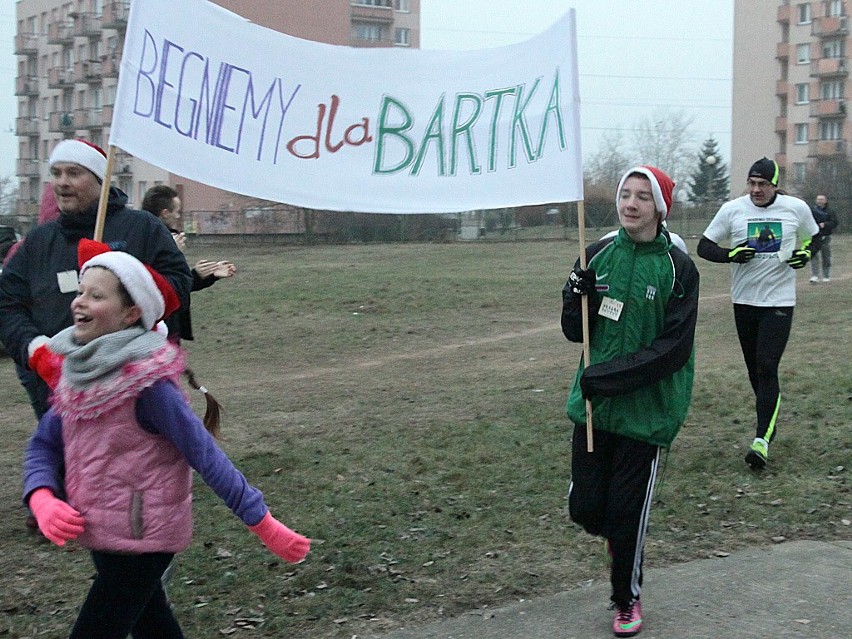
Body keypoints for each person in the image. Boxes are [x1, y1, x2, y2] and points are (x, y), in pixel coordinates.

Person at [22, 242, 310, 638]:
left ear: (131, 313)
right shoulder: (79, 375)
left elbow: (205, 455)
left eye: (96, 295)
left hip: (146, 534)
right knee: (154, 628)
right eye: (80, 292)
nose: (79, 303)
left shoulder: (150, 387)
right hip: (98, 528)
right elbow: (43, 445)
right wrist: (41, 498)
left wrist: (262, 523)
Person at [561, 166, 699, 637]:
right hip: (595, 408)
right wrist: (570, 296)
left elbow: (673, 350)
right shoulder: (597, 253)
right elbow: (575, 332)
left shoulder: (680, 268)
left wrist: (610, 377)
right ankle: (619, 535)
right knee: (585, 509)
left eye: (643, 197)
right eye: (626, 194)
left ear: (659, 207)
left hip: (646, 413)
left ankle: (626, 599)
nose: (631, 204)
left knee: (627, 515)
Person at [0, 139, 192, 421]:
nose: (62, 182)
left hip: (132, 379)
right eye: (57, 173)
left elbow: (178, 285)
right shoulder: (39, 242)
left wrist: (127, 278)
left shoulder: (143, 228)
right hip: (57, 385)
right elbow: (7, 303)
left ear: (100, 179)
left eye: (74, 173)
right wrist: (35, 350)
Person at [697, 157, 820, 469]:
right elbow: (704, 246)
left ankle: (761, 440)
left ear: (775, 184)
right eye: (752, 184)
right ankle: (769, 419)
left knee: (767, 366)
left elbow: (814, 237)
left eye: (763, 184)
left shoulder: (796, 208)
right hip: (744, 302)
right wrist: (731, 255)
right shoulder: (732, 210)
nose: (756, 190)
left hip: (779, 302)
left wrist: (805, 253)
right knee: (756, 372)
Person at [141, 184, 236, 343]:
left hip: (171, 327)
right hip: (151, 327)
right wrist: (170, 253)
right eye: (176, 212)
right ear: (165, 213)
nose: (178, 217)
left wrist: (202, 275)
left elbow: (174, 285)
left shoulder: (168, 238)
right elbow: (147, 282)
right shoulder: (140, 238)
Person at [808, 194, 838, 283]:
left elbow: (834, 223)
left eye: (821, 199)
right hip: (814, 236)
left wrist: (825, 224)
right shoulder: (812, 210)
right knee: (813, 256)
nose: (819, 201)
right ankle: (814, 276)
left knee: (826, 256)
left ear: (825, 201)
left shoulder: (830, 211)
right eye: (818, 199)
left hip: (825, 236)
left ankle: (826, 276)